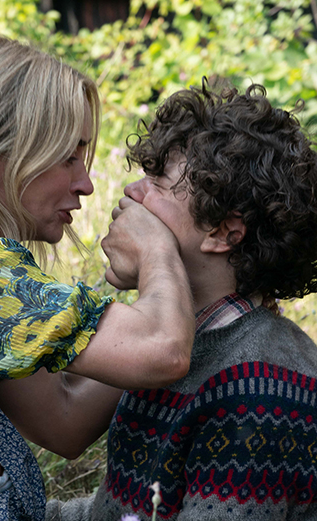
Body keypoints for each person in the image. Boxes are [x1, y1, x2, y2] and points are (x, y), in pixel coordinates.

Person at [0, 33, 195, 520]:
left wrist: (184, 295)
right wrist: (159, 246)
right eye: (68, 156)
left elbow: (63, 419)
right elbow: (161, 348)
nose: (86, 184)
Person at [44, 81, 317, 520]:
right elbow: (112, 512)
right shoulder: (191, 342)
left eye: (158, 183)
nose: (132, 192)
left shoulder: (260, 390)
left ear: (224, 233)